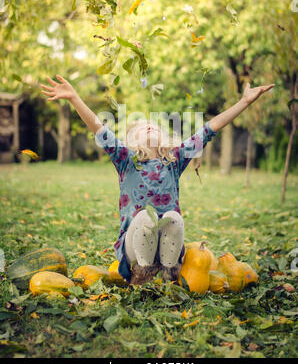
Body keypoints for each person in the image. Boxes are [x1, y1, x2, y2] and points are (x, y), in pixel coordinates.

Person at [41, 75, 274, 285]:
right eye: (142, 128)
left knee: (172, 218)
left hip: (168, 249)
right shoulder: (125, 160)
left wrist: (244, 102)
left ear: (165, 137)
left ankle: (171, 272)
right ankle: (142, 273)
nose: (150, 126)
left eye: (154, 126)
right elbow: (97, 126)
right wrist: (74, 98)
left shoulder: (174, 161)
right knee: (146, 217)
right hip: (134, 249)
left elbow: (209, 129)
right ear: (131, 141)